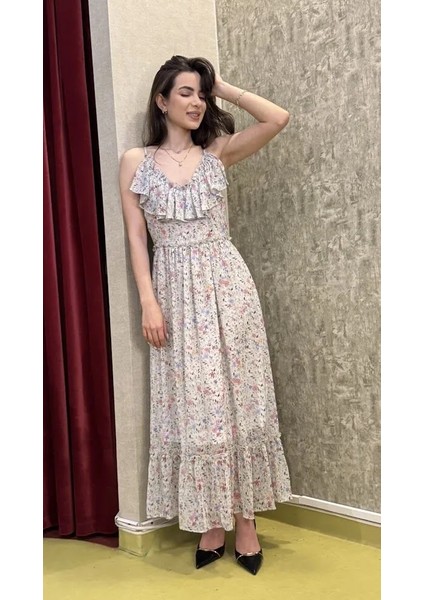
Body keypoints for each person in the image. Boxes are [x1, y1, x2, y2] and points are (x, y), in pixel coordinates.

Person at [119, 55, 292, 576]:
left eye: (201, 94)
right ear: (161, 101)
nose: (196, 103)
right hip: (173, 295)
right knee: (197, 408)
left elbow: (278, 118)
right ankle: (210, 521)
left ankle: (245, 522)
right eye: (186, 92)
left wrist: (223, 86)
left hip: (229, 291)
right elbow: (136, 238)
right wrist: (148, 300)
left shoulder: (217, 152)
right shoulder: (136, 161)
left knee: (241, 403)